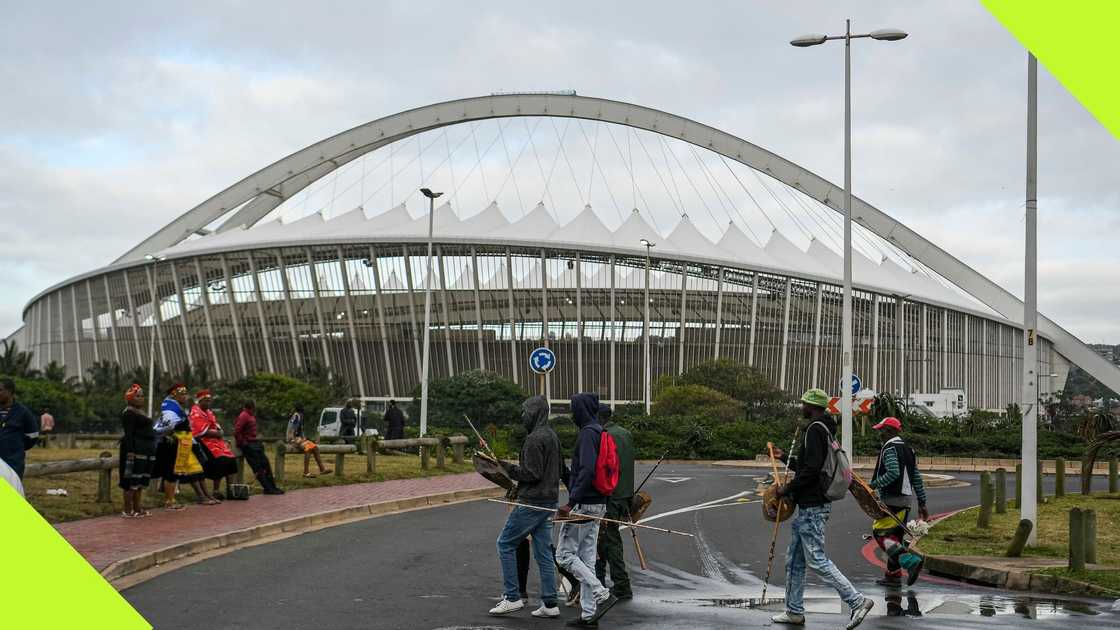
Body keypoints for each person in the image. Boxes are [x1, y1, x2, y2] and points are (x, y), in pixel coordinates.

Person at [772, 388, 873, 629]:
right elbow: (810, 465)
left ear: (811, 406)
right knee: (794, 560)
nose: (801, 406)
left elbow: (812, 470)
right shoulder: (824, 428)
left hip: (813, 505)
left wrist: (786, 490)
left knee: (816, 559)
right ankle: (794, 610)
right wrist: (784, 456)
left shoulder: (815, 429)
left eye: (804, 403)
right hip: (811, 504)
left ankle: (857, 601)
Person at [489, 396, 563, 618]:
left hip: (532, 503)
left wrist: (506, 468)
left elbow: (531, 473)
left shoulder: (533, 439)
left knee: (504, 544)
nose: (522, 416)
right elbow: (559, 468)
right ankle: (550, 603)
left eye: (524, 411)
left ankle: (512, 597)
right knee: (543, 553)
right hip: (549, 502)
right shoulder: (553, 436)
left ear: (535, 412)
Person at [555, 392, 616, 627]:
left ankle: (602, 593)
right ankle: (589, 615)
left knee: (564, 555)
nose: (572, 413)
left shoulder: (587, 434)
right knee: (588, 559)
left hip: (585, 504)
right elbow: (584, 472)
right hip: (599, 502)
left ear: (581, 410)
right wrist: (565, 472)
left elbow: (588, 470)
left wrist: (571, 503)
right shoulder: (599, 431)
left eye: (573, 409)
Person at [868, 416, 929, 587]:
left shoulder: (889, 449)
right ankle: (893, 575)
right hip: (906, 500)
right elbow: (916, 477)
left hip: (892, 499)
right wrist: (922, 502)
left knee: (881, 533)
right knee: (896, 537)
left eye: (881, 430)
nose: (879, 434)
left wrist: (872, 485)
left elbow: (893, 473)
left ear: (889, 431)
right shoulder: (909, 449)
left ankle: (910, 561)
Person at [595, 405, 634, 601]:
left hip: (610, 495)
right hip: (624, 495)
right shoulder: (626, 434)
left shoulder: (604, 434)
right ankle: (599, 580)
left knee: (610, 540)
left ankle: (621, 584)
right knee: (603, 539)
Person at [155, 385, 217, 508]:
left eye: (185, 394)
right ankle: (170, 501)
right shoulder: (170, 408)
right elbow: (168, 425)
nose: (185, 396)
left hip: (183, 442)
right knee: (171, 472)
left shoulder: (176, 407)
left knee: (182, 471)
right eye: (182, 394)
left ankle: (174, 500)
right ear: (174, 395)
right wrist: (173, 436)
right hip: (174, 442)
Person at [189, 389, 239, 500]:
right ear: (200, 401)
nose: (208, 403)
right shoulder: (195, 412)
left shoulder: (209, 412)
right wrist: (217, 433)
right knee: (221, 460)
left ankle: (230, 490)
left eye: (209, 401)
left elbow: (215, 425)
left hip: (215, 440)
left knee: (231, 460)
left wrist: (219, 432)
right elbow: (201, 430)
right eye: (206, 400)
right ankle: (216, 490)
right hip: (202, 441)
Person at [119, 384, 155, 517]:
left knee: (140, 481)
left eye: (142, 396)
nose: (141, 398)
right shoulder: (128, 413)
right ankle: (127, 510)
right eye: (137, 396)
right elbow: (128, 434)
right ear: (130, 399)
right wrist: (130, 451)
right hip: (135, 449)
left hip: (146, 449)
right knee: (130, 481)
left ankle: (137, 509)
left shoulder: (141, 412)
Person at [236, 400, 284, 495]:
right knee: (258, 468)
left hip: (255, 443)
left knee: (266, 464)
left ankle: (272, 487)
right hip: (249, 445)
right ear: (251, 407)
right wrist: (243, 443)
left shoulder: (250, 415)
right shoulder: (244, 416)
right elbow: (237, 431)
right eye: (254, 408)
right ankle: (267, 488)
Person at [0, 377, 39, 479]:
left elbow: (33, 436)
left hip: (13, 464)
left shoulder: (23, 413)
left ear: (10, 392)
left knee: (10, 493)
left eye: (0, 390)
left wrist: (16, 446)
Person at [287, 405, 331, 478]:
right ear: (302, 412)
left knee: (315, 447)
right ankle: (306, 472)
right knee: (308, 447)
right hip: (293, 438)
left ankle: (322, 469)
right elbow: (292, 429)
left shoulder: (299, 416)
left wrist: (304, 439)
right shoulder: (296, 416)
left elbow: (300, 430)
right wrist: (293, 440)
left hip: (298, 438)